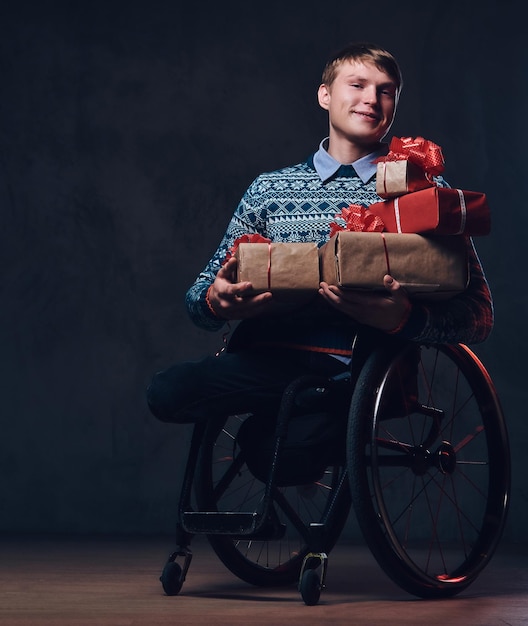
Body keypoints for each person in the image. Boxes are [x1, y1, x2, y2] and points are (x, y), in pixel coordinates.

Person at [146, 41, 493, 425]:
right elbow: (199, 296)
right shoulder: (269, 189)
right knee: (168, 391)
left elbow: (478, 314)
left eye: (386, 91)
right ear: (325, 95)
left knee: (281, 450)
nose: (372, 100)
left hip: (358, 371)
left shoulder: (421, 188)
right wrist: (217, 302)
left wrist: (405, 318)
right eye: (357, 85)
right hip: (268, 360)